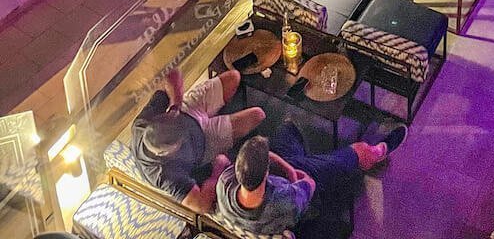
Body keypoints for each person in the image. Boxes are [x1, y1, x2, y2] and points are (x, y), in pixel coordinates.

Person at [216, 124, 405, 236]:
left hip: (284, 180)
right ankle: (375, 153)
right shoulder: (284, 201)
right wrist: (295, 174)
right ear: (266, 173)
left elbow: (266, 158)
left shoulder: (225, 183)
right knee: (353, 154)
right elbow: (309, 183)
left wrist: (288, 168)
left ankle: (305, 158)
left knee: (287, 130)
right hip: (306, 205)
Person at [130, 68, 264, 210]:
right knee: (257, 115)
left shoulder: (141, 125)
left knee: (234, 76)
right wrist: (217, 169)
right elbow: (201, 206)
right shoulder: (165, 175)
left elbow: (171, 73)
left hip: (188, 110)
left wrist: (175, 105)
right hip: (206, 143)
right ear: (165, 153)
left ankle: (218, 112)